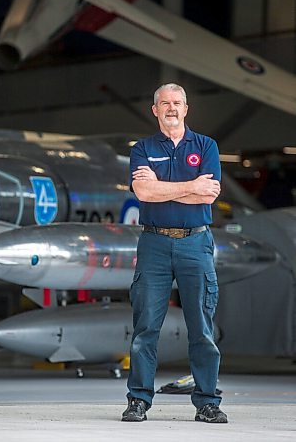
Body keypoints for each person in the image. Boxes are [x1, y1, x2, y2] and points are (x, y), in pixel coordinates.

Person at [121, 83, 227, 424]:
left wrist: (164, 190)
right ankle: (138, 400)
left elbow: (208, 196)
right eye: (164, 103)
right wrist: (190, 186)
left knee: (201, 327)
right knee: (146, 327)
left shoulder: (206, 146)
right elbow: (144, 193)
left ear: (186, 108)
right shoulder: (143, 148)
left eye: (177, 102)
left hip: (196, 242)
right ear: (155, 110)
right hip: (153, 243)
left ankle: (208, 402)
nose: (171, 108)